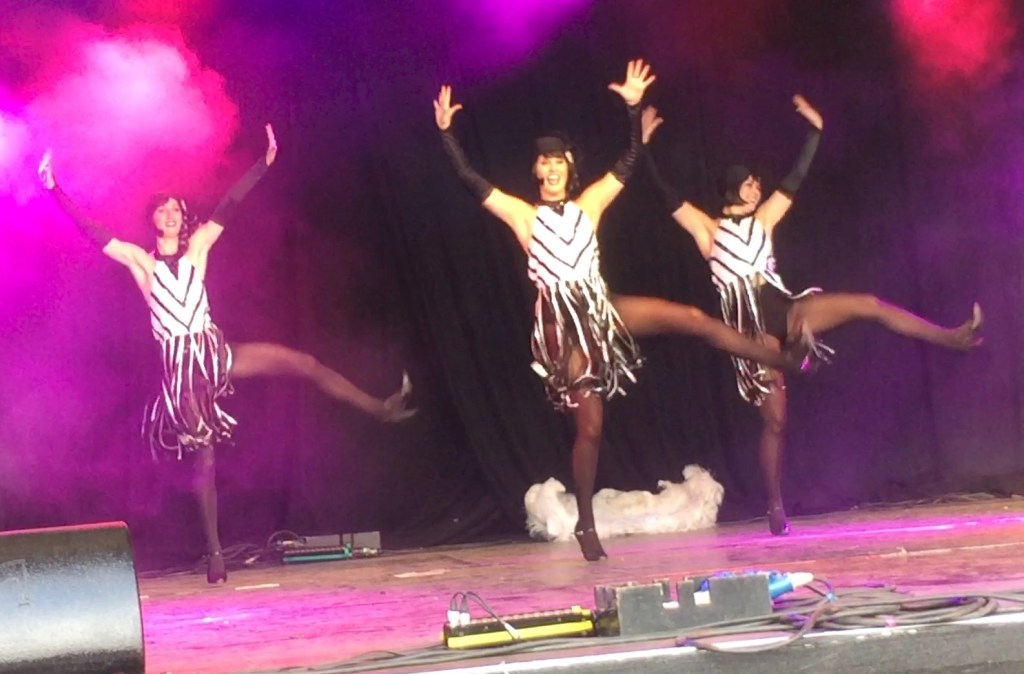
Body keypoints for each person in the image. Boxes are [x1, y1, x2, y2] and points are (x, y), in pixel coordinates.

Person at [434, 60, 809, 561]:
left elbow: (629, 161)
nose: (548, 169)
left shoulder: (589, 204)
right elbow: (467, 178)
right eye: (541, 164)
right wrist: (446, 133)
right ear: (535, 171)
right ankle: (586, 521)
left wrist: (632, 108)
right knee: (590, 426)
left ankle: (783, 361)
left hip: (603, 310)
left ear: (569, 166)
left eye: (556, 162)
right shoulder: (523, 216)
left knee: (693, 319)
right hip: (564, 329)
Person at [38, 125, 414, 583]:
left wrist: (264, 162)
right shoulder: (142, 262)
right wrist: (55, 188)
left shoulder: (198, 248)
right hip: (183, 372)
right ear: (154, 219)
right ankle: (215, 555)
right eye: (164, 208)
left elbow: (229, 205)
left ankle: (380, 408)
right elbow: (94, 233)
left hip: (214, 351)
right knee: (206, 459)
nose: (173, 213)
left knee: (301, 363)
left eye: (177, 208)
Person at [641, 96, 983, 536]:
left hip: (785, 307)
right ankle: (774, 503)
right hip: (751, 328)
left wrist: (816, 132)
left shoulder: (764, 219)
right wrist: (644, 146)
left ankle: (951, 337)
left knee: (869, 304)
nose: (756, 188)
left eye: (756, 183)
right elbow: (666, 195)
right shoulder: (709, 230)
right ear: (732, 187)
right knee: (776, 420)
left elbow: (794, 181)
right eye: (748, 184)